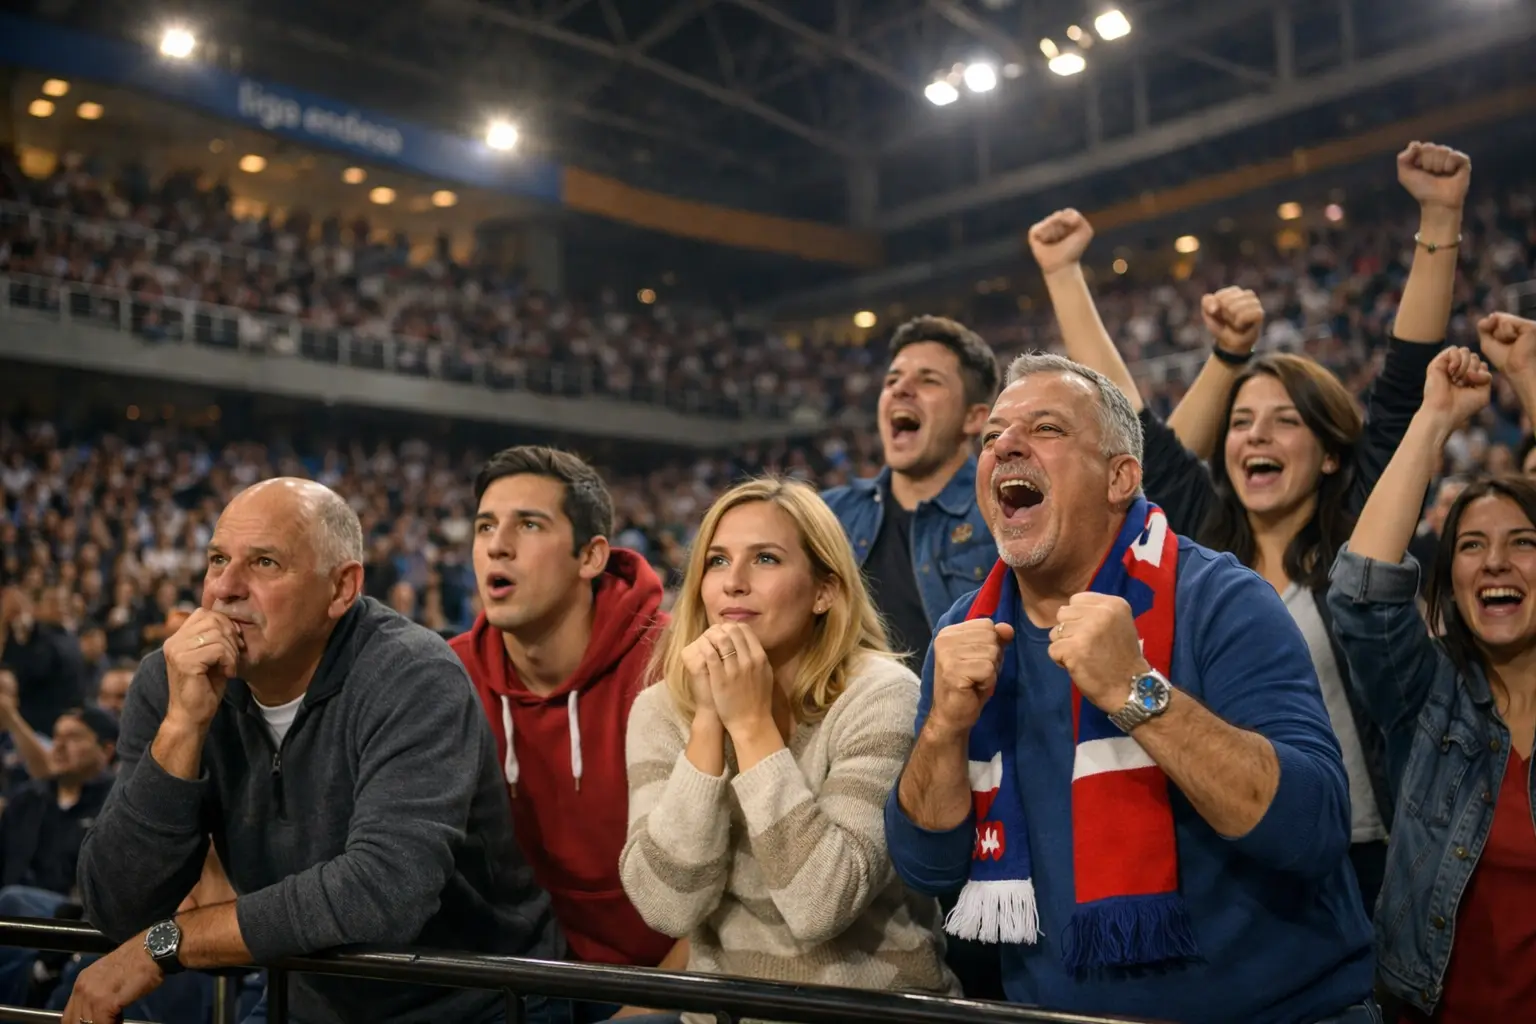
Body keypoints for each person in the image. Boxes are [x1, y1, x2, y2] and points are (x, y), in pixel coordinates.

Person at [1025, 143, 1474, 912]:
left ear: (1332, 454)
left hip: (1378, 854)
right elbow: (1122, 417)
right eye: (1241, 423)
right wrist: (1064, 274)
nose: (1255, 439)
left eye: (1283, 422)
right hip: (1225, 852)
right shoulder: (1201, 542)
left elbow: (1402, 385)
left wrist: (1439, 216)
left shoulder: (1356, 541)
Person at [884, 353, 1375, 1023]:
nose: (1006, 446)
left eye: (1047, 428)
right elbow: (927, 870)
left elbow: (1311, 830)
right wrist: (942, 730)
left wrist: (1137, 690)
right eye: (994, 433)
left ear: (1121, 478)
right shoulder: (964, 632)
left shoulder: (1222, 599)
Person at [64, 477, 561, 1024]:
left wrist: (170, 942)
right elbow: (115, 904)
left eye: (265, 564)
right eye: (217, 559)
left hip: (472, 1002)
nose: (225, 588)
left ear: (342, 589)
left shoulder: (413, 675)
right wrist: (183, 727)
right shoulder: (170, 681)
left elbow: (382, 892)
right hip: (310, 1000)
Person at [619, 478, 959, 1024]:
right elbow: (668, 907)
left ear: (824, 590)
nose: (733, 583)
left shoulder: (881, 696)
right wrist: (709, 723)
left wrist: (751, 728)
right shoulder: (663, 710)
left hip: (873, 1012)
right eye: (717, 561)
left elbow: (821, 903)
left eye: (766, 559)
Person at [1328, 324, 1536, 1023]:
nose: (1496, 562)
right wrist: (1434, 418)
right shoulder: (1429, 699)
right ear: (1452, 582)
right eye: (1471, 546)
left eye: (1523, 543)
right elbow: (1361, 592)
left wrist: (1530, 375)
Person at [450, 446, 681, 1019]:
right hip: (516, 986)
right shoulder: (444, 679)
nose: (497, 545)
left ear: (592, 556)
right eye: (485, 526)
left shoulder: (677, 668)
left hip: (676, 985)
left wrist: (649, 1011)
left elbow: (740, 884)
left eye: (529, 524)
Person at [822, 315, 1001, 671]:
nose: (900, 389)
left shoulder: (1005, 513)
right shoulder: (827, 516)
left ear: (973, 418)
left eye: (928, 380)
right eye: (892, 380)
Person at [0, 708, 116, 1007]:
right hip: (17, 915)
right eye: (56, 737)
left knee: (13, 903)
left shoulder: (117, 804)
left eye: (74, 737)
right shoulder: (28, 799)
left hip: (74, 914)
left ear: (106, 749)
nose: (59, 746)